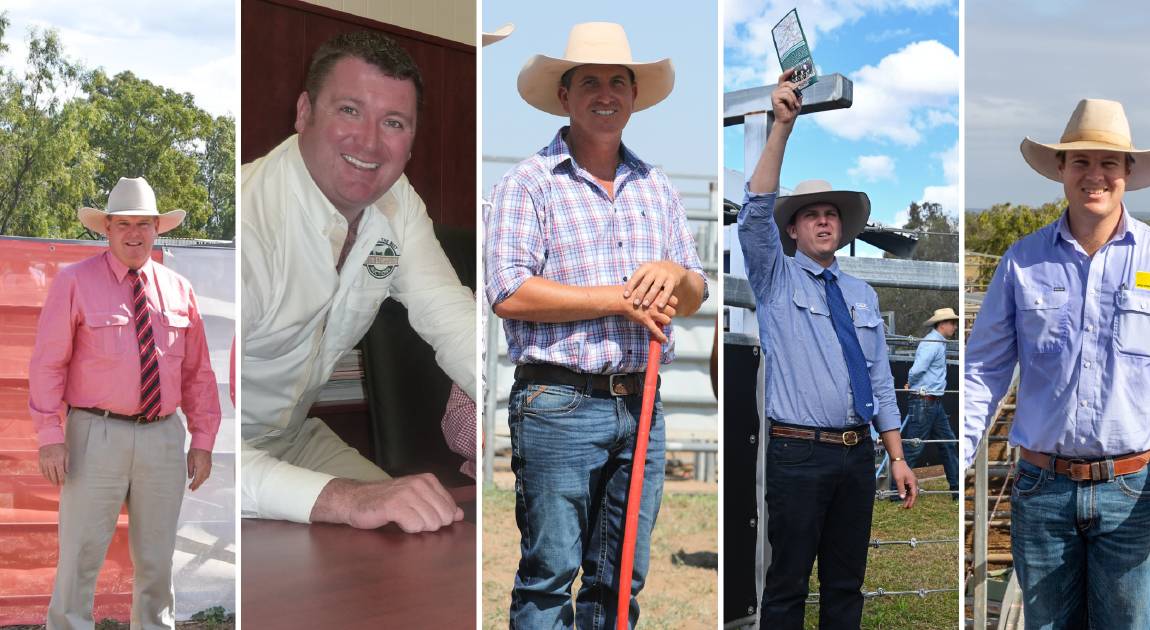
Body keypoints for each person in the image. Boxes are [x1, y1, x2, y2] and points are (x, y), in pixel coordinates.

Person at [485, 22, 707, 629]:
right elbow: (508, 291)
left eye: (617, 82)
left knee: (621, 578)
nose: (605, 93)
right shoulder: (527, 184)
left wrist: (672, 274)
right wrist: (619, 299)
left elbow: (694, 287)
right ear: (564, 96)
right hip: (558, 400)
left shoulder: (656, 187)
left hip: (641, 403)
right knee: (549, 576)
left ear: (634, 97)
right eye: (589, 82)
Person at [963, 98, 1150, 628]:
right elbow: (984, 369)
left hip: (1135, 487)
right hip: (1042, 487)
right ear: (1062, 172)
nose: (1094, 176)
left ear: (1128, 174)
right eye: (1081, 163)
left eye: (1108, 164)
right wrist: (957, 449)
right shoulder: (1021, 261)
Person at [240, 31, 473, 531]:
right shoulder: (248, 227)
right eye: (349, 110)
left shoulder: (396, 202)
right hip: (217, 448)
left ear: (411, 140)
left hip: (294, 437)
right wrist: (351, 502)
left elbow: (452, 320)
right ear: (304, 112)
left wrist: (524, 418)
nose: (369, 142)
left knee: (422, 537)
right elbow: (197, 445)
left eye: (393, 122)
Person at [737, 71, 917, 629]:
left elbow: (880, 379)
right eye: (811, 213)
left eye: (830, 213)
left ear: (841, 228)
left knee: (847, 583)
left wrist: (897, 453)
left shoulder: (861, 294)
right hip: (798, 452)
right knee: (787, 582)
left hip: (856, 453)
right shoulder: (775, 278)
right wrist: (782, 129)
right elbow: (753, 211)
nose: (822, 219)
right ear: (791, 230)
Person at [29, 177, 221, 629]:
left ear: (157, 228)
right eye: (123, 224)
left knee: (156, 563)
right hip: (94, 435)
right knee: (79, 558)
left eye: (143, 224)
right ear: (107, 229)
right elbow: (47, 365)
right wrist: (50, 437)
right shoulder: (73, 283)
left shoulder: (179, 290)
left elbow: (197, 373)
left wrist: (204, 440)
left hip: (162, 439)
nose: (134, 233)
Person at [891, 307, 959, 499]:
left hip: (933, 402)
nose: (954, 326)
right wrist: (911, 382)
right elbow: (918, 368)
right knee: (914, 447)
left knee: (947, 443)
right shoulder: (931, 344)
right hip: (924, 401)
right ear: (942, 324)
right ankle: (898, 492)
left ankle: (956, 489)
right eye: (952, 323)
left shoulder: (938, 343)